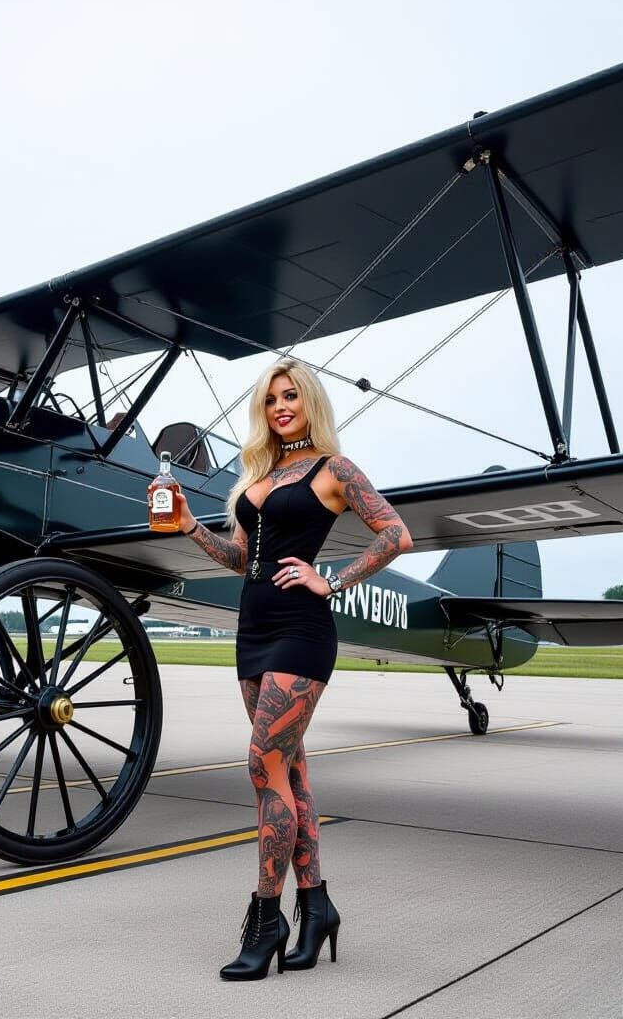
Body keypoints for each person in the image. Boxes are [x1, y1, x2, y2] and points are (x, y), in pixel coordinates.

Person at [174, 359, 414, 981]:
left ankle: (265, 915)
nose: (281, 407)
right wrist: (189, 526)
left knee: (262, 765)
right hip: (252, 633)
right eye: (272, 399)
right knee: (291, 774)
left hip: (302, 633)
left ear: (310, 403)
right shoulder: (261, 474)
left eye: (292, 396)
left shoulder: (334, 469)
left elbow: (395, 534)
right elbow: (242, 560)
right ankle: (317, 906)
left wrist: (331, 579)